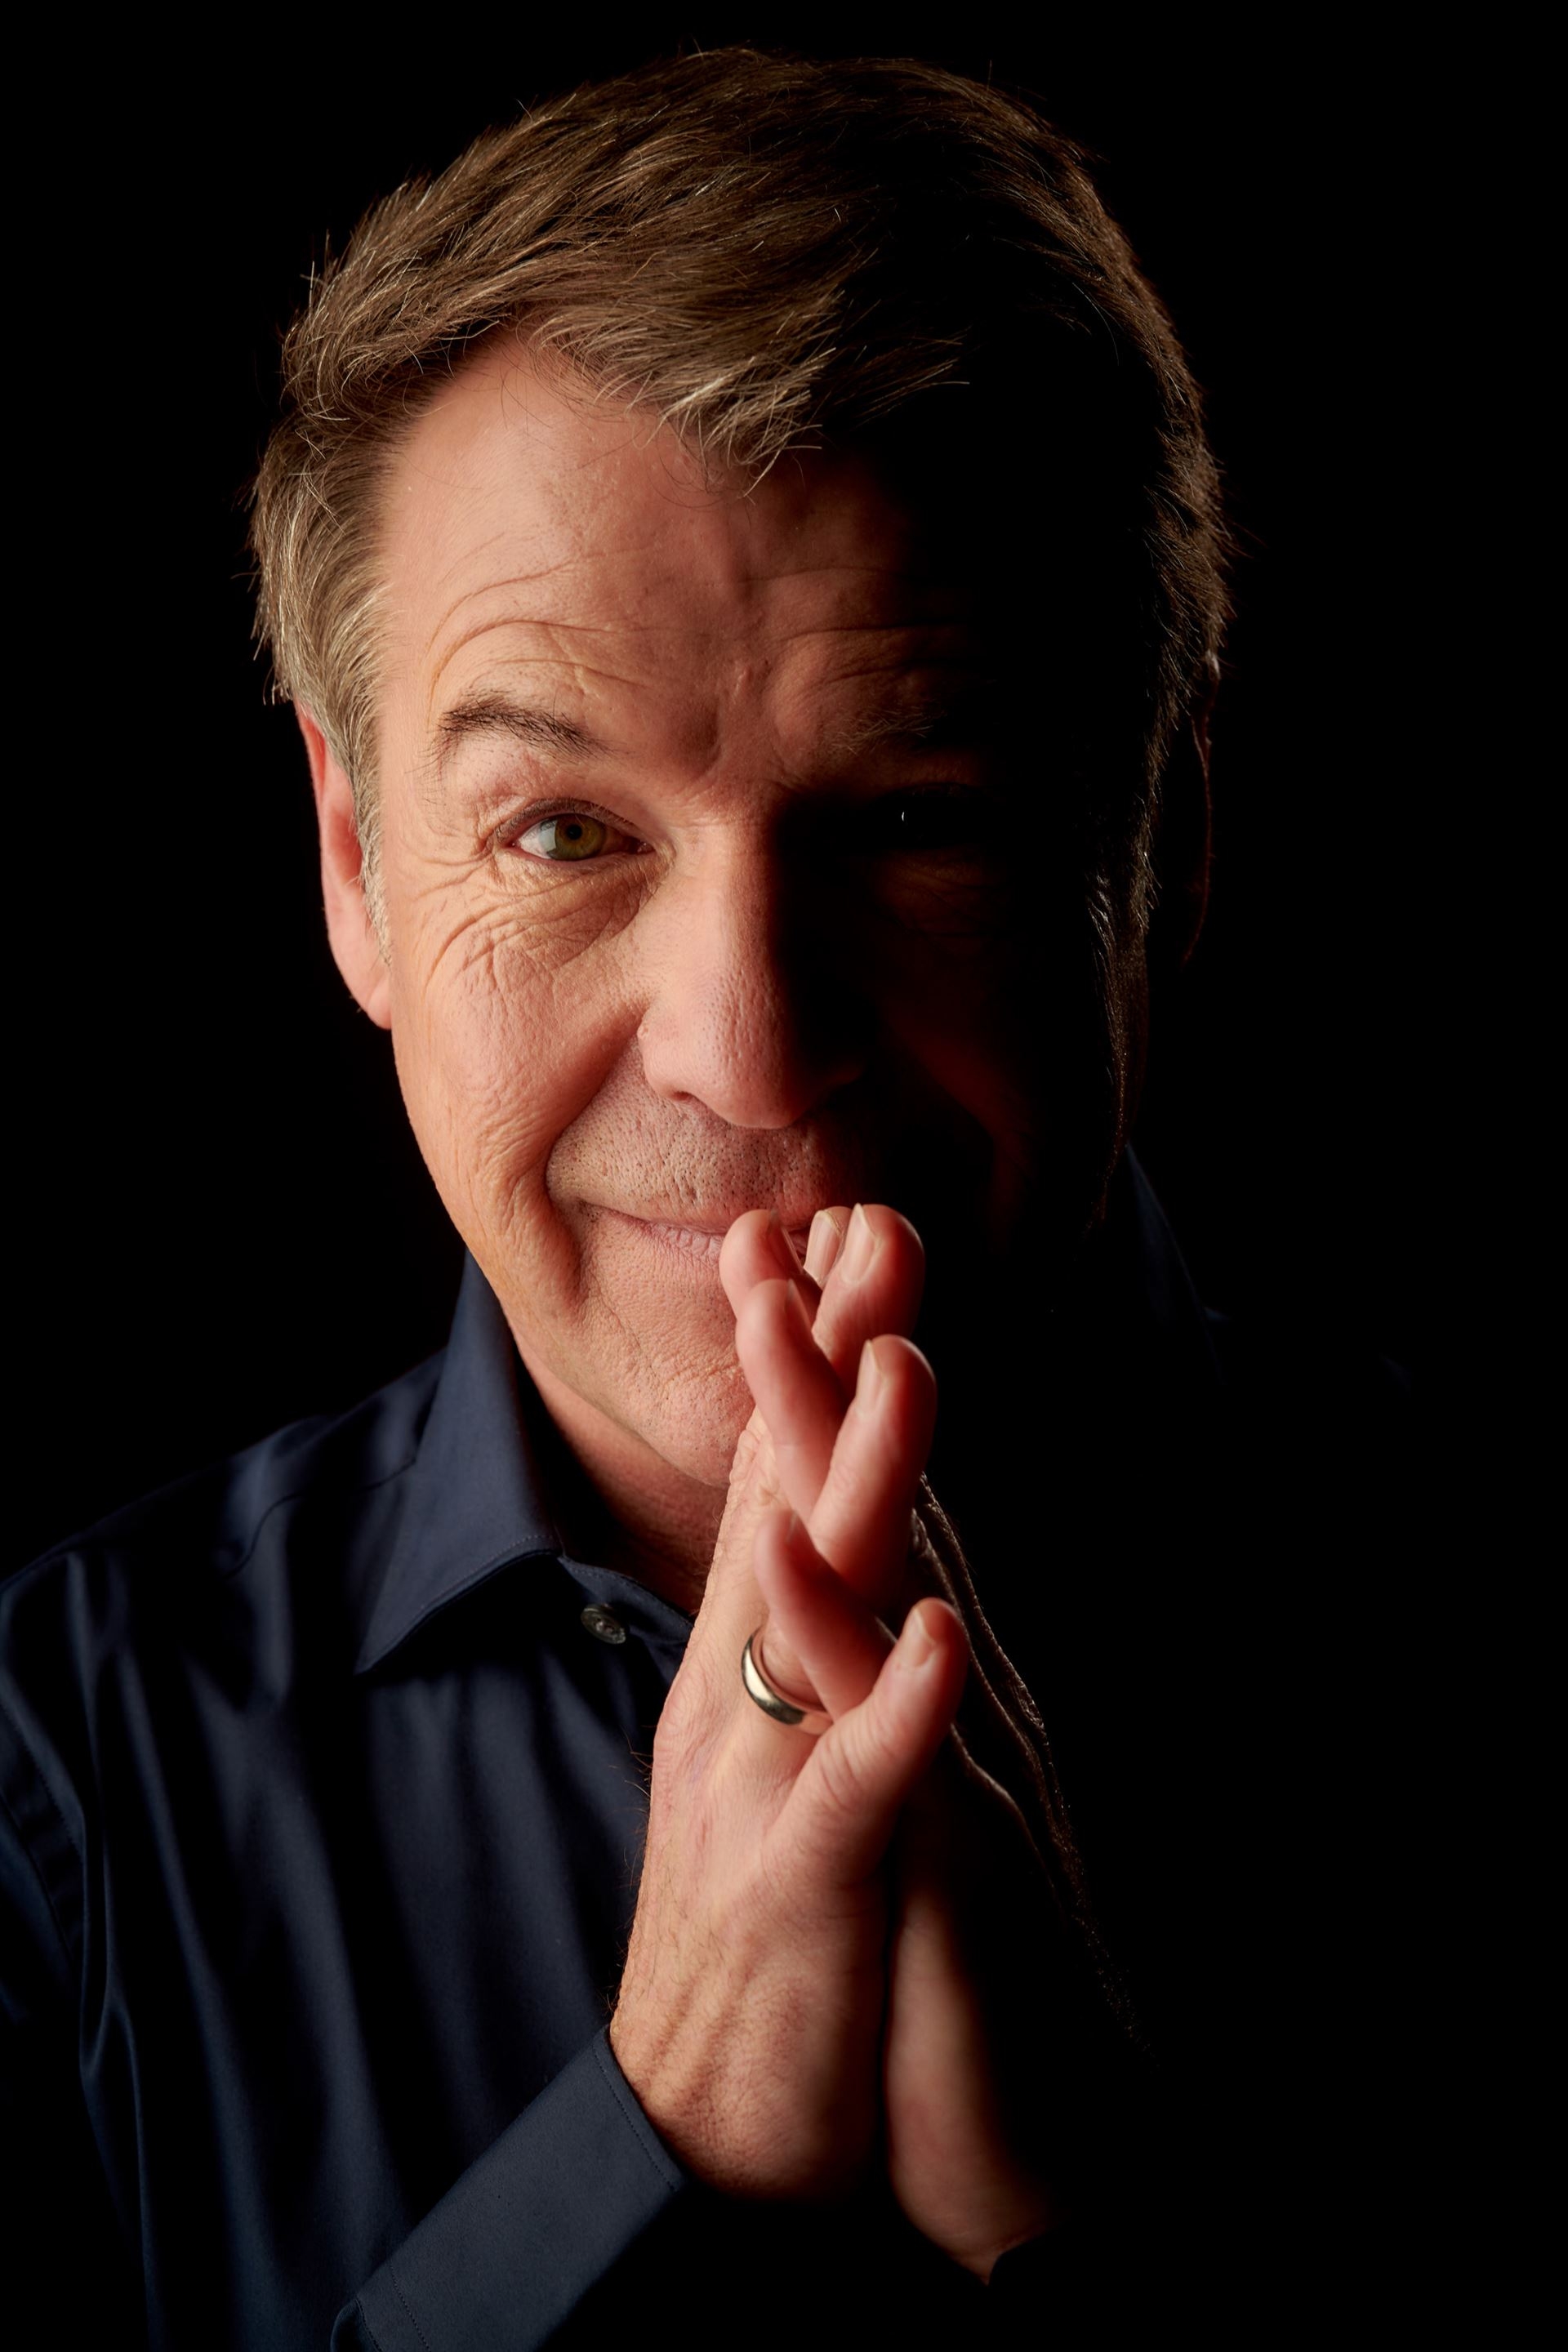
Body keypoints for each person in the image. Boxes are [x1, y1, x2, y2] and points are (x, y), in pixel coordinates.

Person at [2, 47, 1405, 2347]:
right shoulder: (54, 1771)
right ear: (357, 868)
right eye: (563, 833)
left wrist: (1098, 2231)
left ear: (1160, 850)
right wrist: (659, 2137)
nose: (746, 1054)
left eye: (922, 820)